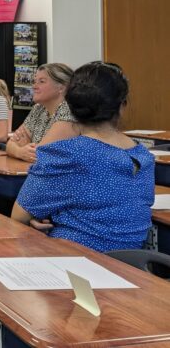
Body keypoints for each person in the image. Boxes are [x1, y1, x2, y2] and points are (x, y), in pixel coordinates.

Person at [12, 62, 154, 252]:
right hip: (132, 268)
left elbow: (19, 216)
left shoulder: (65, 154)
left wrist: (39, 217)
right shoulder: (143, 156)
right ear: (121, 107)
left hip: (75, 262)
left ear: (72, 106)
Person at [7, 63, 78, 162]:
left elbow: (39, 154)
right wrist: (20, 151)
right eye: (34, 81)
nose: (34, 86)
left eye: (41, 81)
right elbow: (10, 144)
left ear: (61, 88)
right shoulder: (38, 108)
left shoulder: (69, 111)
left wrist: (23, 147)